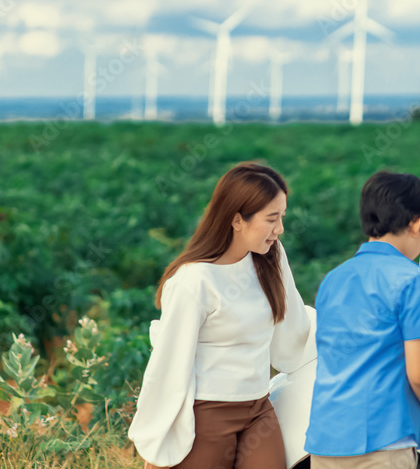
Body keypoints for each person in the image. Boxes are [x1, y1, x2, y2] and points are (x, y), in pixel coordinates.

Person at [128, 162, 312, 469]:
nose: (279, 229)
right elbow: (169, 364)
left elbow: (294, 325)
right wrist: (158, 444)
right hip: (207, 414)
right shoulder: (193, 281)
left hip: (258, 409)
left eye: (282, 217)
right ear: (237, 219)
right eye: (271, 219)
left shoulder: (272, 258)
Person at [305, 171, 420, 468]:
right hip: (382, 443)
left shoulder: (333, 280)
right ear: (417, 223)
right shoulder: (413, 280)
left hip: (325, 440)